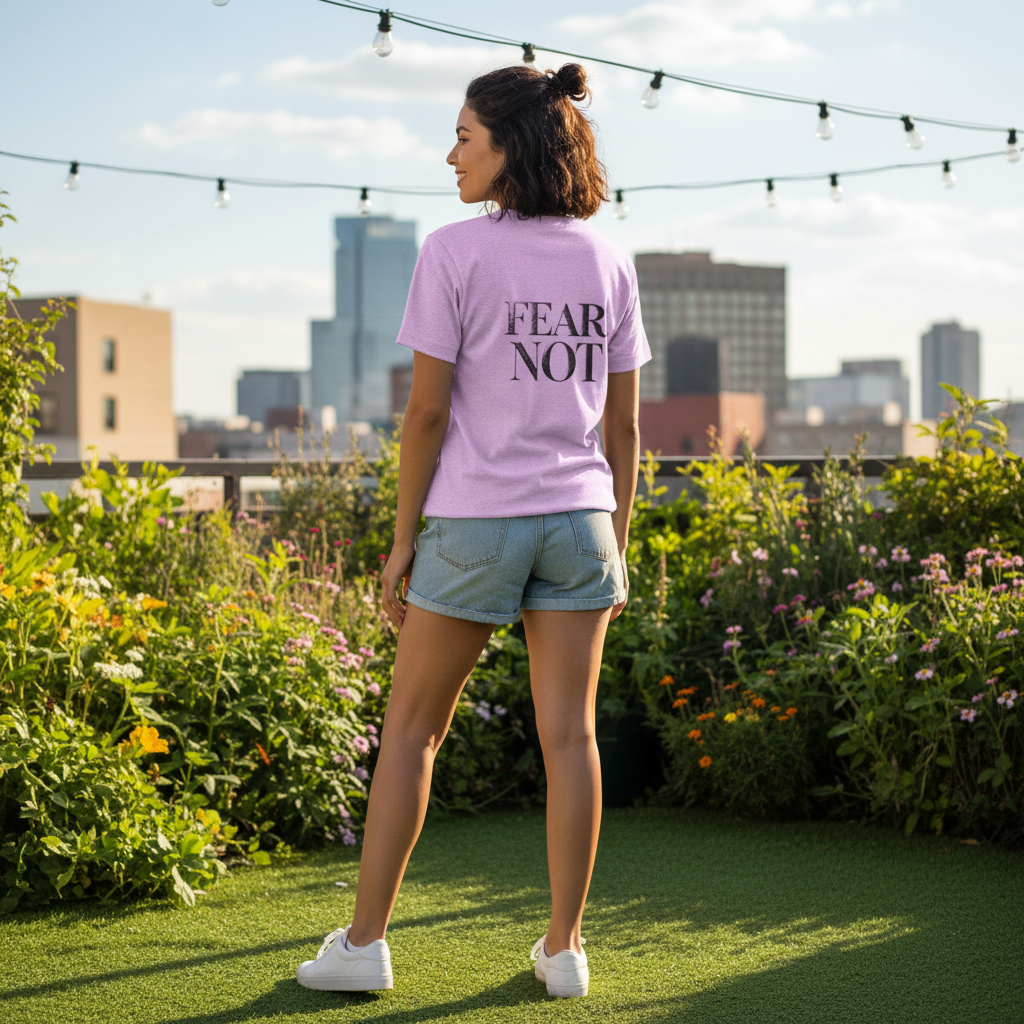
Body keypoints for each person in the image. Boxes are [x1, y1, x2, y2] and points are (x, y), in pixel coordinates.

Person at [296, 61, 650, 1000]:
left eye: (464, 136)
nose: (450, 152)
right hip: (582, 522)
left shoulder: (454, 250)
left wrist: (404, 538)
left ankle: (365, 946)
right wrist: (617, 530)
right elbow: (625, 429)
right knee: (571, 738)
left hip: (475, 522)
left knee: (410, 732)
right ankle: (565, 951)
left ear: (511, 148)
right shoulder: (609, 258)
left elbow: (424, 417)